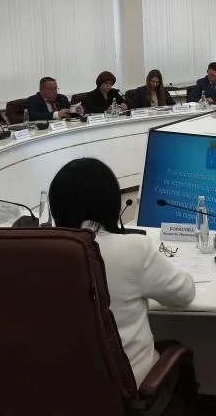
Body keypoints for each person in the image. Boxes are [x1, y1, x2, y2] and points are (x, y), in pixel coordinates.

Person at [47, 158, 194, 384]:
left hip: (63, 386)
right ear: (111, 203)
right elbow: (184, 294)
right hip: (129, 390)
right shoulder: (134, 248)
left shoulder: (39, 252)